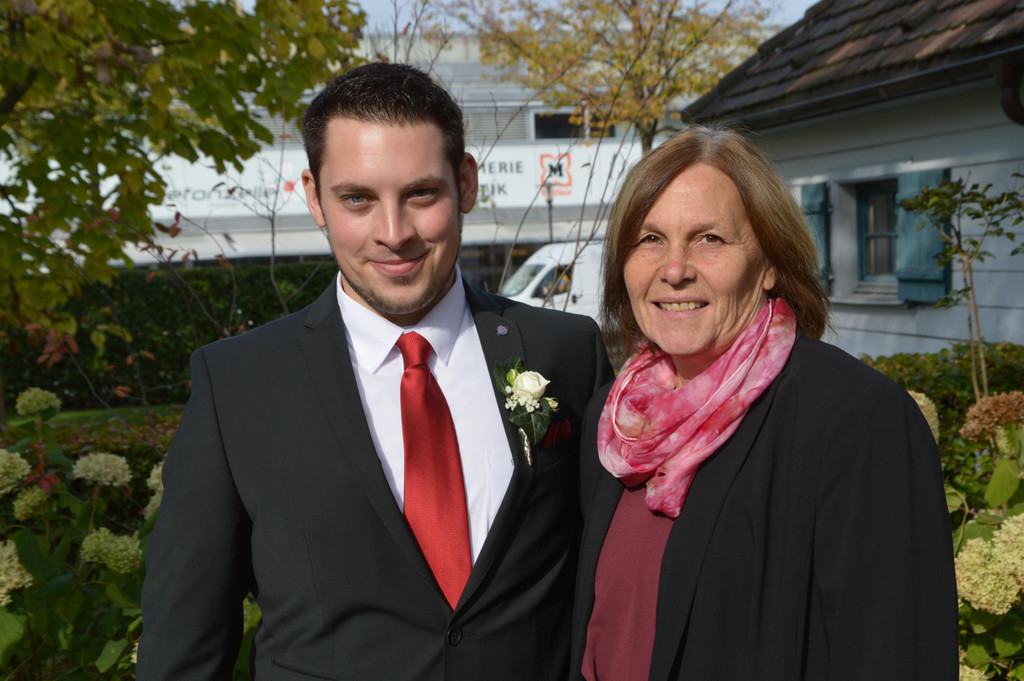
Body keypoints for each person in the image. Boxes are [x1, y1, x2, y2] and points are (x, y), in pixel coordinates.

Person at [138, 62, 613, 680]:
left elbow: (613, 582)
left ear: (466, 184)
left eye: (421, 194)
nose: (394, 233)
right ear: (314, 197)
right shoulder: (237, 386)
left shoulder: (566, 352)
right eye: (357, 199)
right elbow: (183, 649)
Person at [568, 123, 957, 681]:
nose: (674, 270)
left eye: (709, 239)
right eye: (649, 239)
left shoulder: (856, 419)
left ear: (770, 263)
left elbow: (893, 653)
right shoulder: (614, 420)